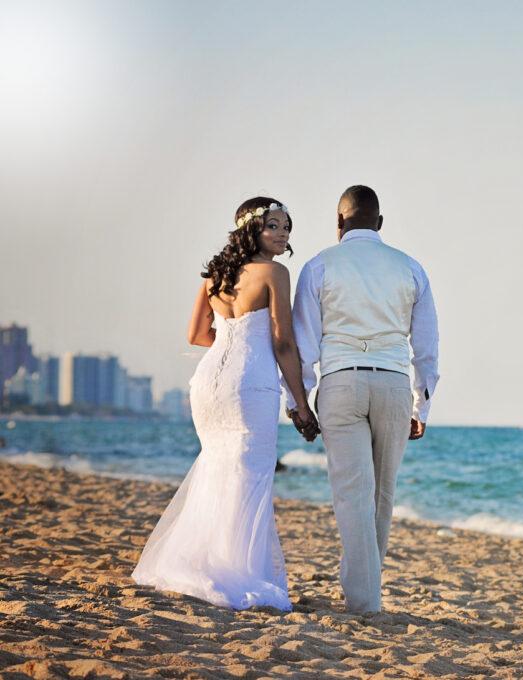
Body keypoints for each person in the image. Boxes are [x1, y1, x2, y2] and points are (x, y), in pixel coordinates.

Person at [132, 197, 319, 611]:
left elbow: (197, 334)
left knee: (218, 469)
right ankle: (239, 573)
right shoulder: (275, 272)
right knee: (249, 477)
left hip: (207, 383)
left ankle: (206, 563)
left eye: (287, 226)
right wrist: (302, 404)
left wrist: (232, 346)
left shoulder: (215, 275)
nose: (283, 234)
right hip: (249, 384)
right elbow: (283, 342)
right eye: (274, 225)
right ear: (251, 229)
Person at [287, 185, 438, 613]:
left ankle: (363, 599)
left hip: (341, 382)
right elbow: (427, 345)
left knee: (352, 493)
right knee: (381, 495)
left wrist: (297, 401)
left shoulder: (319, 266)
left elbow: (304, 344)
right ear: (380, 223)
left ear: (339, 224)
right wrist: (420, 403)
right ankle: (366, 593)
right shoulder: (410, 267)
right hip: (392, 383)